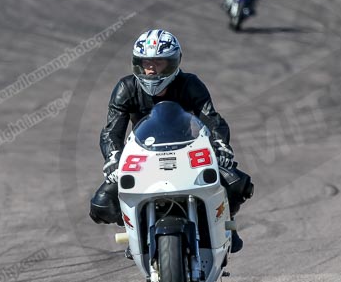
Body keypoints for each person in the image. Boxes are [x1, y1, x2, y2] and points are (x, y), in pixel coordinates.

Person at [90, 29, 253, 255]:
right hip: (144, 155)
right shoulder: (126, 88)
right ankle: (136, 229)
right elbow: (111, 132)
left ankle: (226, 219)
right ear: (136, 63)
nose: (151, 69)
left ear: (174, 63)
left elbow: (212, 119)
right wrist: (113, 158)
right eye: (145, 63)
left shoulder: (190, 84)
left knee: (238, 185)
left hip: (188, 151)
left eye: (159, 63)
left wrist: (221, 146)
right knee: (100, 204)